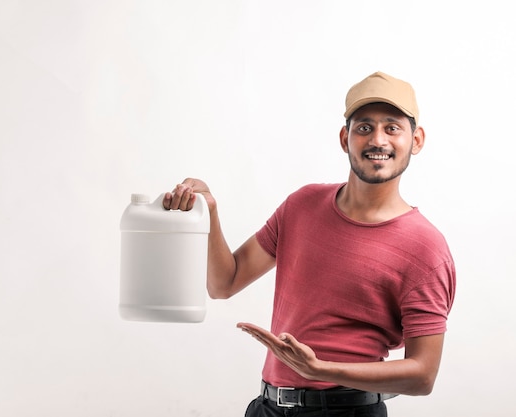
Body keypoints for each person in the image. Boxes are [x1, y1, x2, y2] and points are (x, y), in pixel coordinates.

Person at [163, 71, 456, 417]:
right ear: (345, 138)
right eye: (364, 128)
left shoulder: (426, 247)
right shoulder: (302, 205)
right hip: (267, 407)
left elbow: (423, 375)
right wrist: (209, 211)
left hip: (346, 412)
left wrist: (320, 369)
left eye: (392, 127)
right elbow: (224, 283)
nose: (378, 140)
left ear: (416, 140)